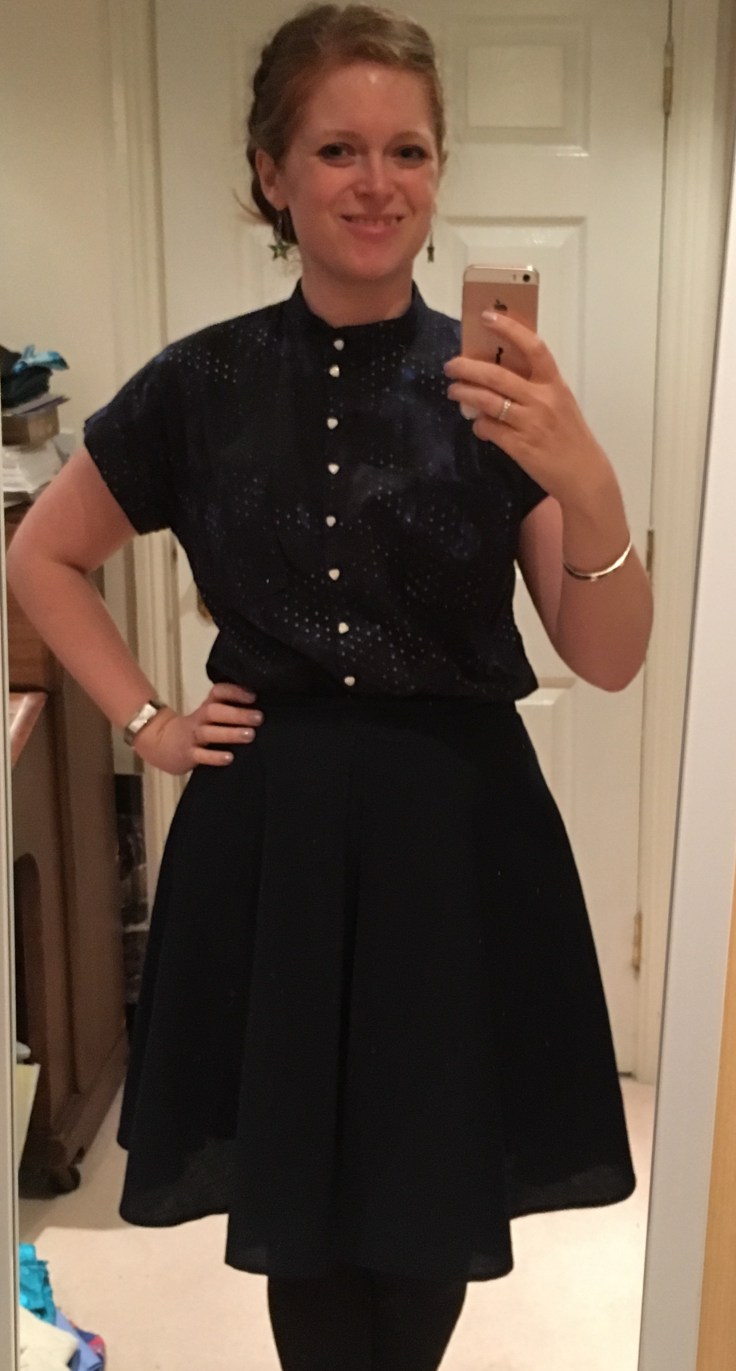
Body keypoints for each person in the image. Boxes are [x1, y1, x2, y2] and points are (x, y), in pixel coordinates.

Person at [6, 4, 653, 1368]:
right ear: (272, 173)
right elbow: (41, 555)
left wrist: (586, 477)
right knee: (301, 1208)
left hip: (459, 838)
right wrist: (147, 722)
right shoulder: (200, 384)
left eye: (407, 150)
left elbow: (608, 656)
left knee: (426, 1201)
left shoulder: (497, 391)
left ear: (438, 171)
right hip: (275, 838)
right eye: (338, 149)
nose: (376, 183)